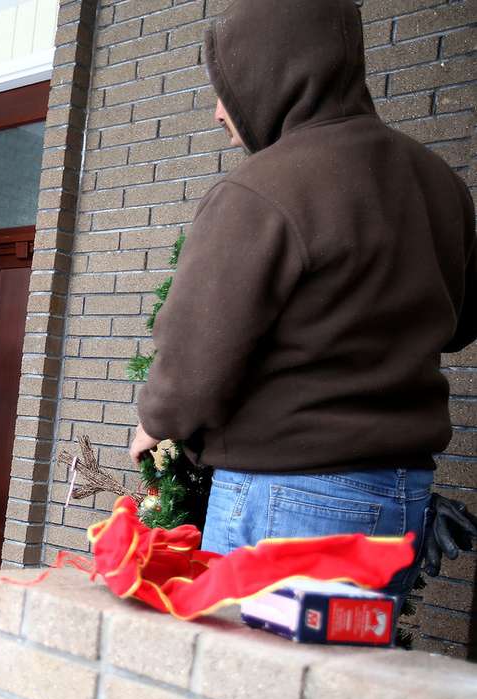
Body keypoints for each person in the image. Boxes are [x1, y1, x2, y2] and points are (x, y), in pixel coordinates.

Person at [129, 0, 476, 598]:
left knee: (249, 687)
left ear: (274, 74)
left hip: (287, 499)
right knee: (342, 683)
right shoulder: (441, 182)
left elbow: (194, 362)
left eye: (227, 87)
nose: (218, 112)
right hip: (400, 493)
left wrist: (155, 421)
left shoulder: (259, 190)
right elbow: (461, 324)